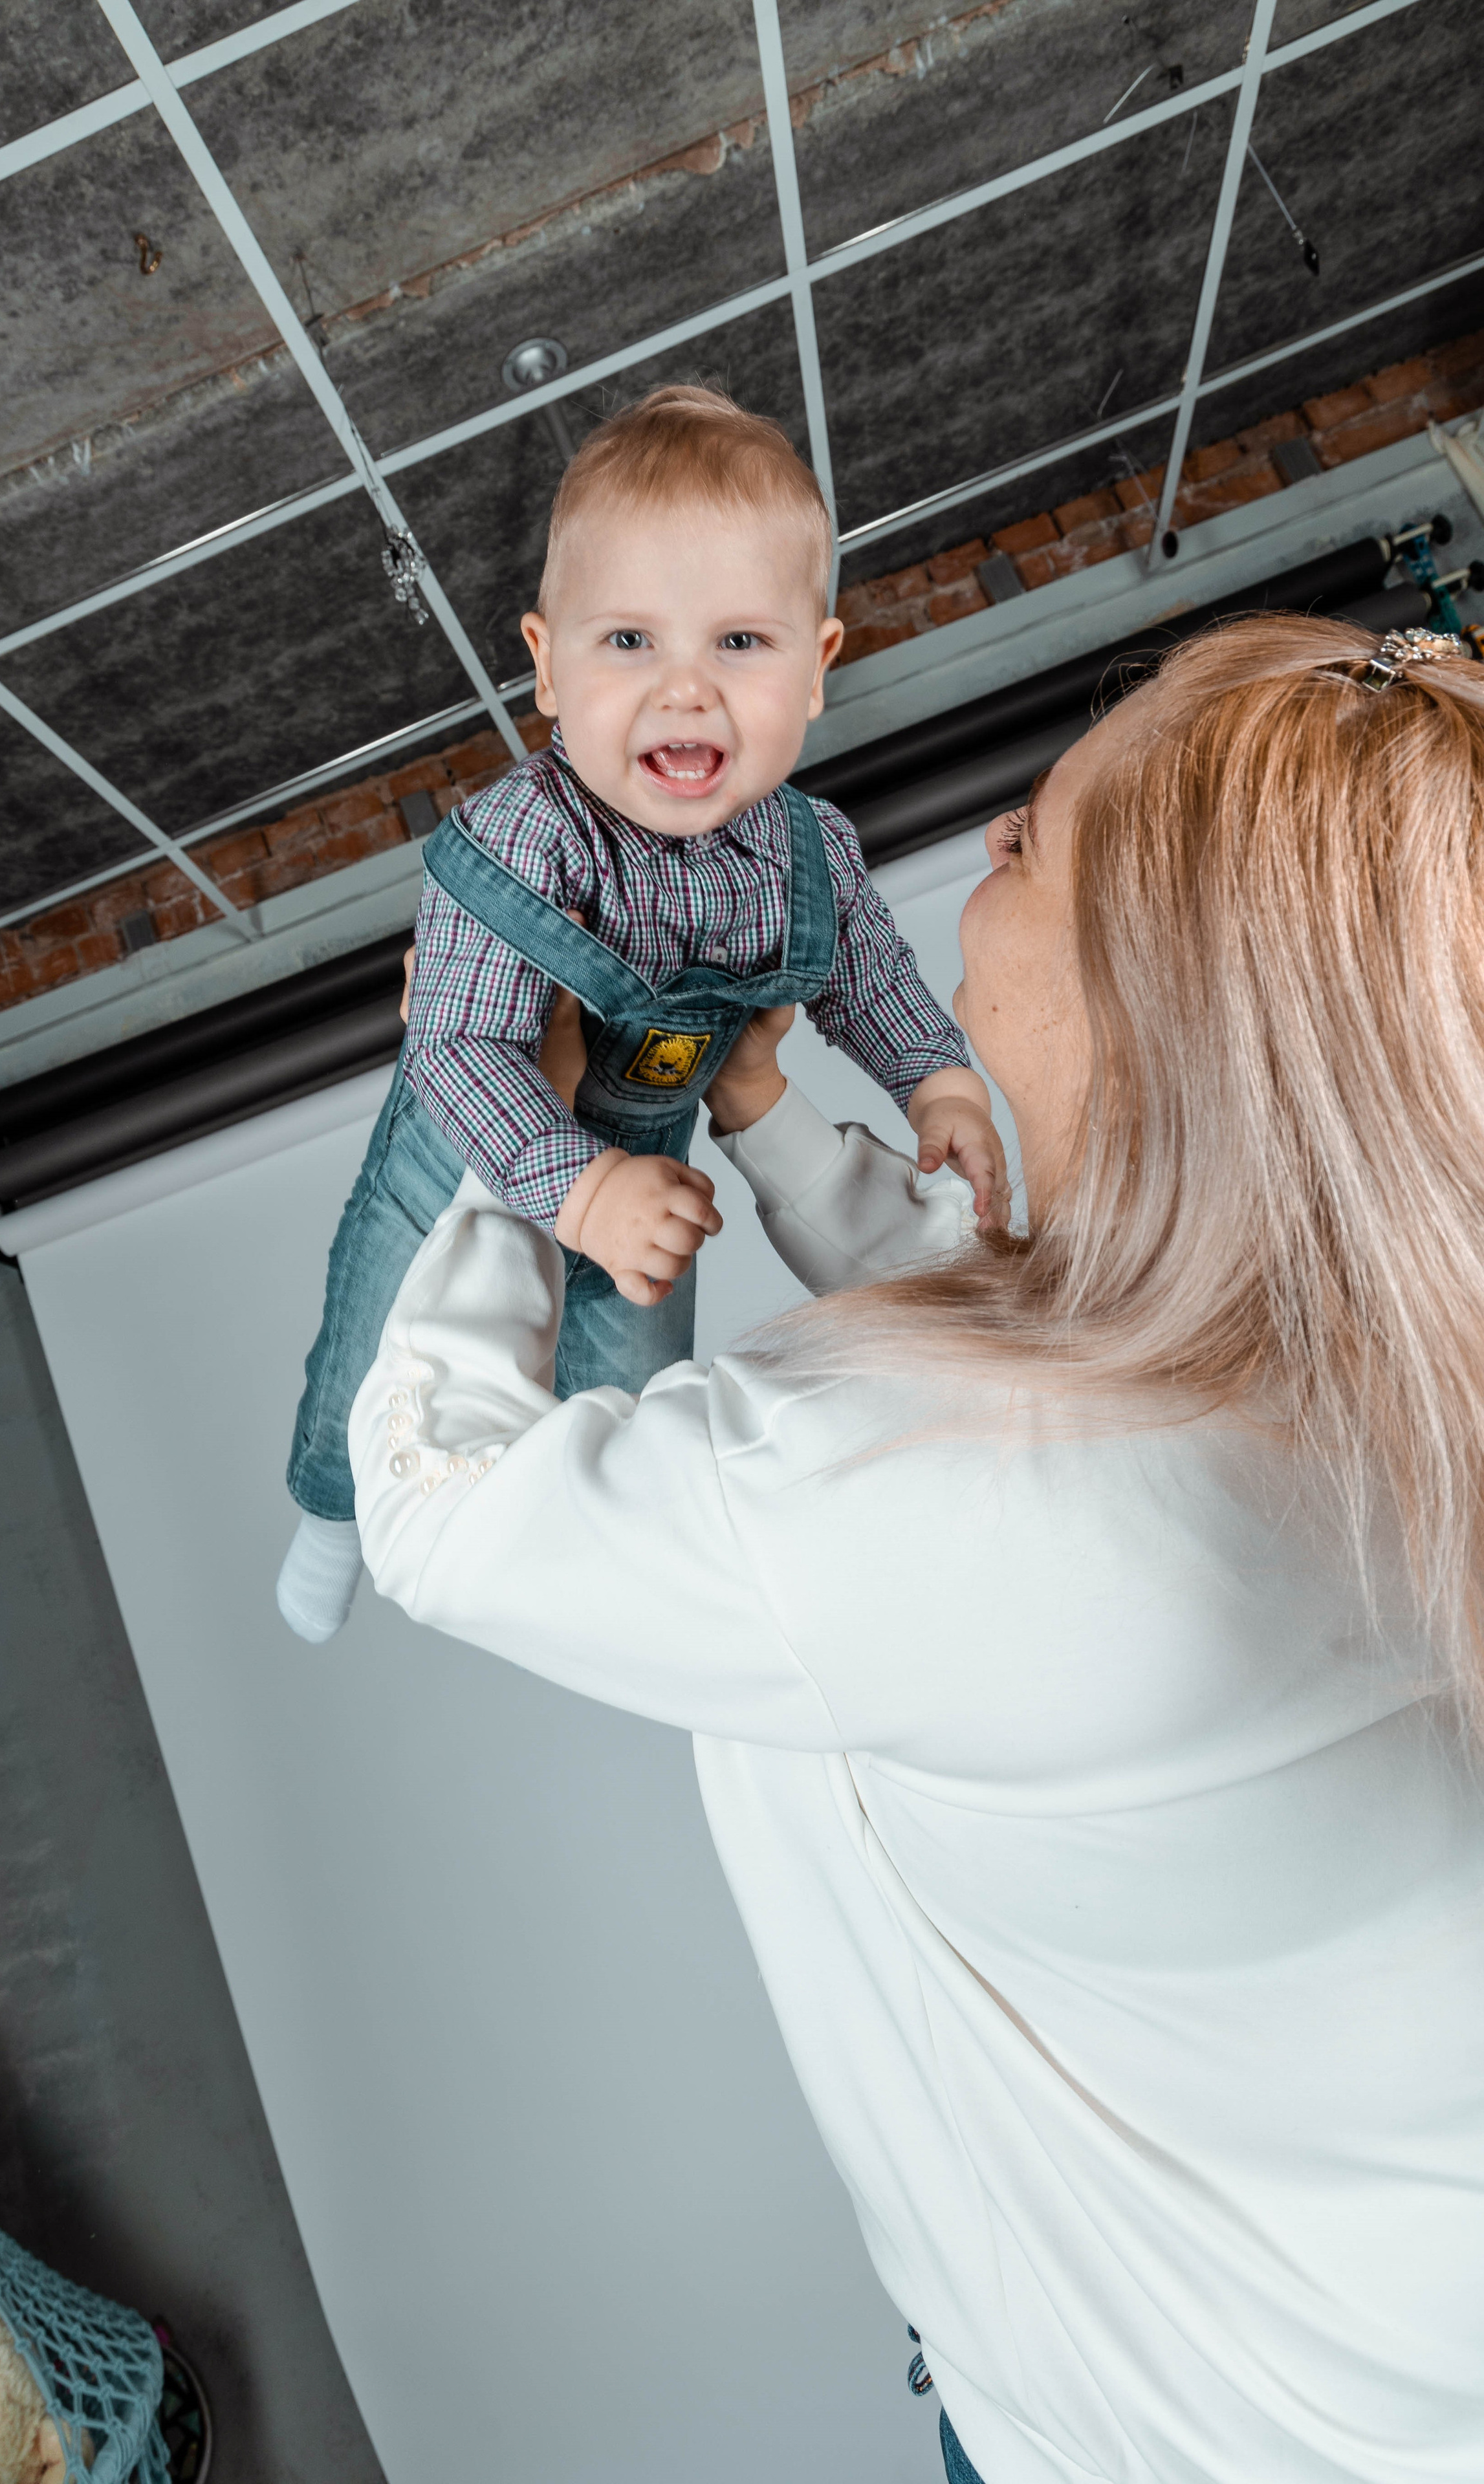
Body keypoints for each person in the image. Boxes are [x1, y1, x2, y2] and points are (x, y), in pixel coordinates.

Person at [345, 617, 1484, 2484]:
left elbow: (444, 1510)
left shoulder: (957, 1508)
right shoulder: (1394, 1328)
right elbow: (1066, 1368)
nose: (984, 850)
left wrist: (508, 1128)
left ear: (1155, 999)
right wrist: (758, 1104)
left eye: (1034, 842)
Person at [276, 384, 1005, 1642]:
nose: (685, 690)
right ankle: (334, 1513)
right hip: (463, 1166)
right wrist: (574, 1189)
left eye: (740, 643)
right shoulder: (523, 837)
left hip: (651, 1167)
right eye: (628, 642)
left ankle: (590, 1545)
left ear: (817, 667)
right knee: (375, 1344)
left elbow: (868, 978)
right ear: (545, 665)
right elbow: (456, 1045)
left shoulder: (808, 850)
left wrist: (937, 1086)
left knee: (632, 1384)